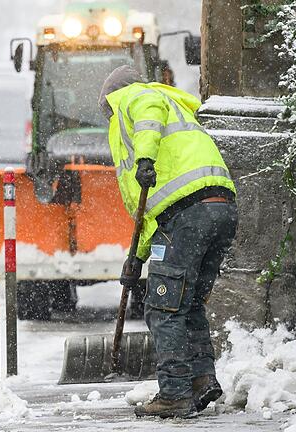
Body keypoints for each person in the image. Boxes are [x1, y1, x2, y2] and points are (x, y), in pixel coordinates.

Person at [98, 65, 238, 418]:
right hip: (219, 208)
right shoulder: (175, 112)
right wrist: (138, 257)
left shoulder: (136, 96)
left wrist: (144, 158)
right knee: (187, 303)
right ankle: (201, 380)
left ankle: (174, 392)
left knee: (163, 307)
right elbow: (152, 213)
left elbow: (147, 111)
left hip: (188, 212)